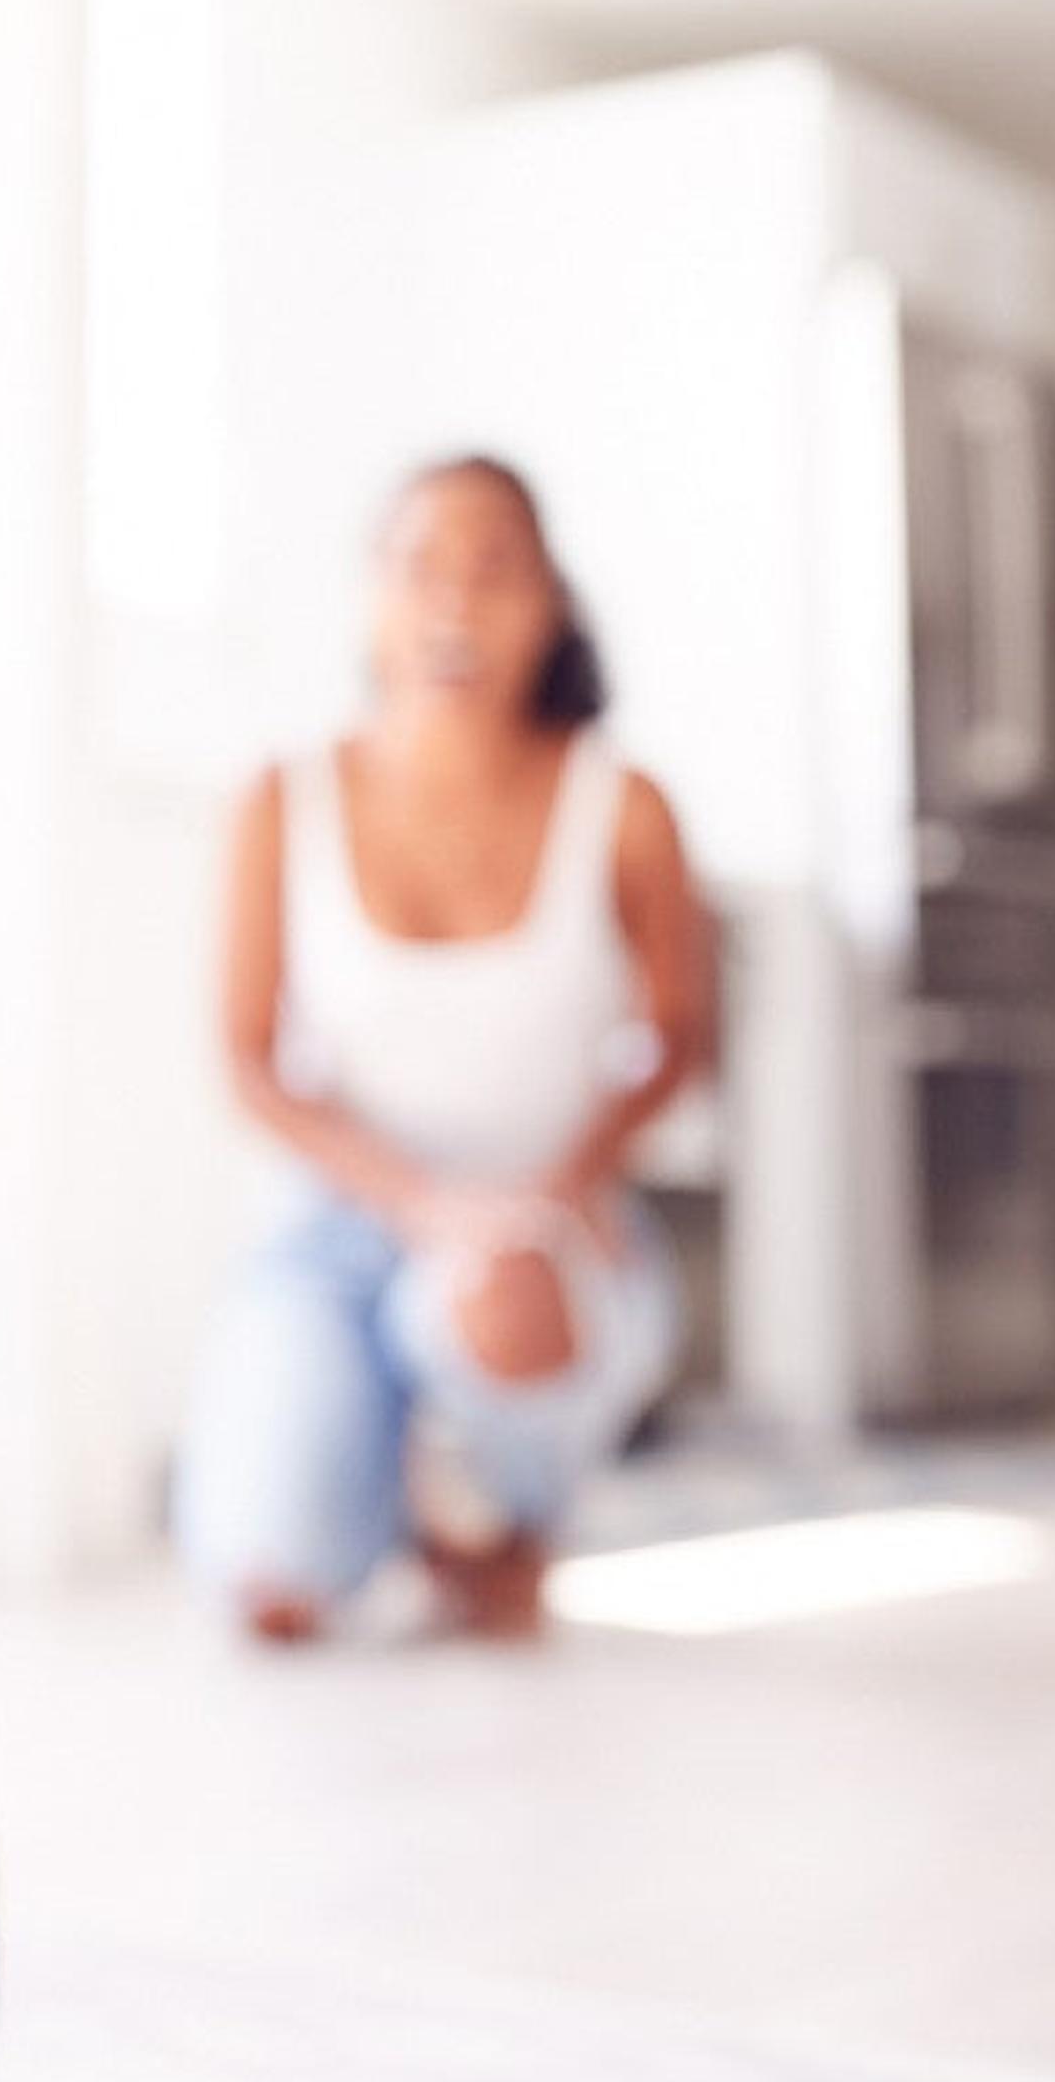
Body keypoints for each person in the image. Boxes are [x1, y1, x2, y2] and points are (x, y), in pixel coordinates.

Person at [174, 454, 715, 1645]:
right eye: (421, 568)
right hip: (339, 1235)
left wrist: (563, 1191)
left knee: (500, 1311)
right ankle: (383, 1481)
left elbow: (678, 1043)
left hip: (547, 1236)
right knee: (272, 1585)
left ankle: (502, 1511)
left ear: (551, 606)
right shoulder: (283, 797)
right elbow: (250, 1065)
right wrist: (426, 1207)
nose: (455, 603)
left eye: (495, 569)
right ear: (373, 598)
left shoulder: (624, 807)